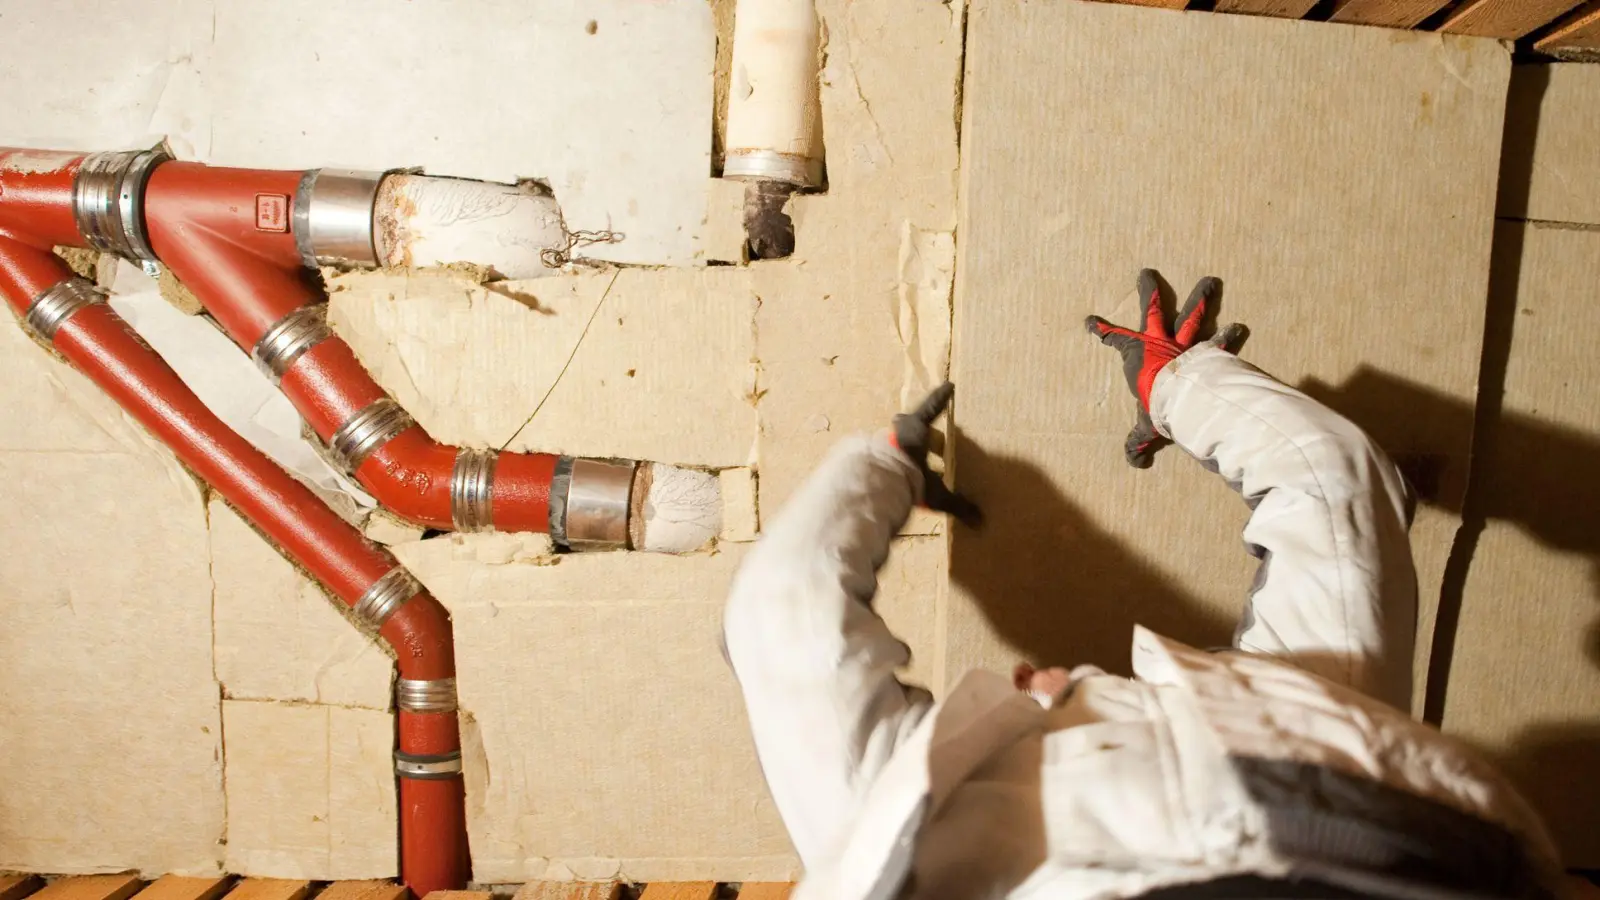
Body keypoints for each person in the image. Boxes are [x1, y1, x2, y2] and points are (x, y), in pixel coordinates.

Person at [721, 270, 1564, 900]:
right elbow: (782, 602)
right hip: (1331, 789)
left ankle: (1170, 380)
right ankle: (1170, 381)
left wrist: (884, 467)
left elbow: (783, 606)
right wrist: (888, 462)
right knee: (1333, 473)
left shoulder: (873, 829)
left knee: (1332, 474)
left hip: (953, 836)